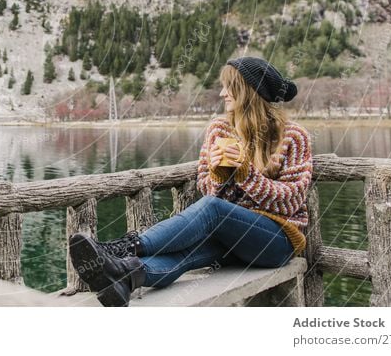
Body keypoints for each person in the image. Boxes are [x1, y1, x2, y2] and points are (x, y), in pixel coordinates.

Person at [69, 56, 313, 307]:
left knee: (211, 208)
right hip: (230, 237)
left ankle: (120, 249)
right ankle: (125, 277)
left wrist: (246, 175)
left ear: (249, 91)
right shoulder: (219, 129)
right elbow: (209, 189)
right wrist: (219, 176)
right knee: (186, 254)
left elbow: (290, 201)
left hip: (277, 241)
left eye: (229, 87)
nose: (222, 93)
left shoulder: (293, 136)